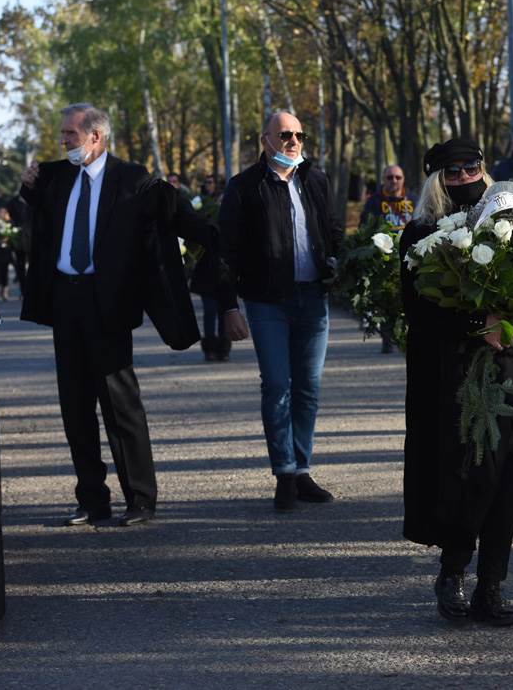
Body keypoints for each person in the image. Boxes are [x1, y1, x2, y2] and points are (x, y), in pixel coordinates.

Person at [401, 138, 513, 626]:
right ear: (436, 181)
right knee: (470, 478)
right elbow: (419, 311)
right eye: (451, 173)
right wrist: (476, 321)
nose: (463, 178)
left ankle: (492, 586)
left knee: (509, 477)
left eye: (471, 169)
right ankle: (453, 571)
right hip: (456, 378)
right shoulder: (420, 233)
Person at [20, 102, 213, 527]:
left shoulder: (131, 179)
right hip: (66, 301)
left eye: (71, 134)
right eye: (63, 134)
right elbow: (36, 216)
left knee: (120, 404)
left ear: (96, 136)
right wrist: (28, 185)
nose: (64, 141)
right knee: (74, 406)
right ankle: (91, 499)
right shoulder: (56, 177)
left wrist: (225, 243)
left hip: (105, 303)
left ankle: (141, 499)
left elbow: (177, 216)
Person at [218, 110, 343, 512]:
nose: (293, 142)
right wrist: (227, 305)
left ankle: (302, 469)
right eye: (285, 134)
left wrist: (342, 263)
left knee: (308, 387)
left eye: (299, 135)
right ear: (265, 139)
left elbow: (333, 230)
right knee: (277, 385)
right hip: (266, 300)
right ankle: (284, 473)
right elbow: (226, 249)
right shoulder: (245, 187)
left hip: (313, 298)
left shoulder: (315, 179)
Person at [190, 175, 230, 362]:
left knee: (225, 311)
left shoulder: (228, 201)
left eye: (211, 182)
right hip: (205, 264)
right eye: (206, 182)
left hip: (224, 266)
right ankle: (209, 347)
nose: (208, 185)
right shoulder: (199, 202)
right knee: (210, 311)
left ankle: (223, 347)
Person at [360, 164, 418, 230]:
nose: (394, 181)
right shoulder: (373, 202)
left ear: (403, 179)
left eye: (398, 177)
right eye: (390, 177)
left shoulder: (415, 200)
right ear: (383, 179)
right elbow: (363, 228)